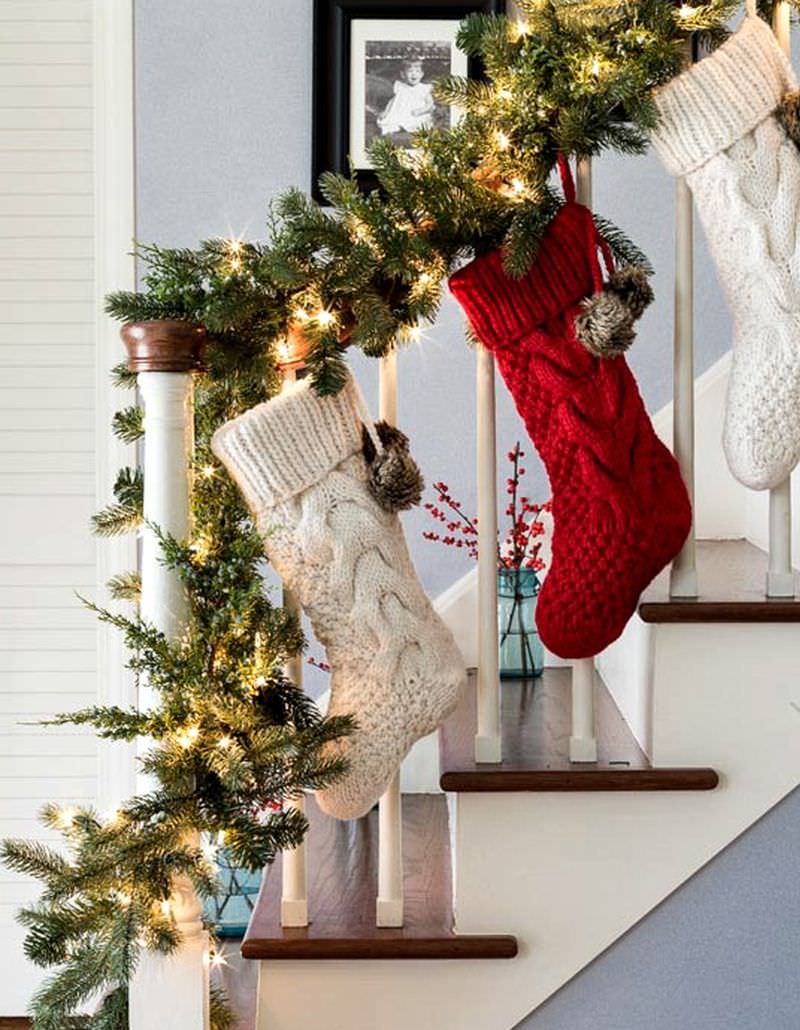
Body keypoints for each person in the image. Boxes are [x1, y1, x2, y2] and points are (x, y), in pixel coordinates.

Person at [377, 55, 435, 136]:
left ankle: (413, 129)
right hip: (402, 112)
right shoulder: (400, 87)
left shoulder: (424, 88)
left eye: (417, 71)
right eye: (410, 71)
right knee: (391, 121)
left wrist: (421, 110)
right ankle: (396, 128)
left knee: (421, 123)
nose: (414, 74)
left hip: (416, 113)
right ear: (403, 74)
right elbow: (392, 102)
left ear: (422, 74)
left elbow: (430, 104)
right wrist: (386, 112)